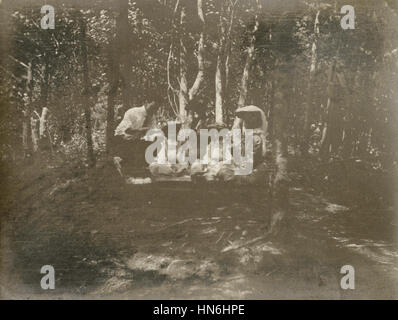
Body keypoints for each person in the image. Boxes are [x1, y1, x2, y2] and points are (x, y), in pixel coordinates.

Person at [113, 100, 160, 177]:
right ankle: (132, 170)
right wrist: (141, 130)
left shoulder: (151, 116)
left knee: (157, 143)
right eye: (152, 107)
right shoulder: (133, 112)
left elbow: (151, 131)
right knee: (135, 149)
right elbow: (124, 130)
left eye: (156, 108)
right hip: (122, 138)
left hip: (136, 140)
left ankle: (144, 170)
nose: (154, 110)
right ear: (146, 103)